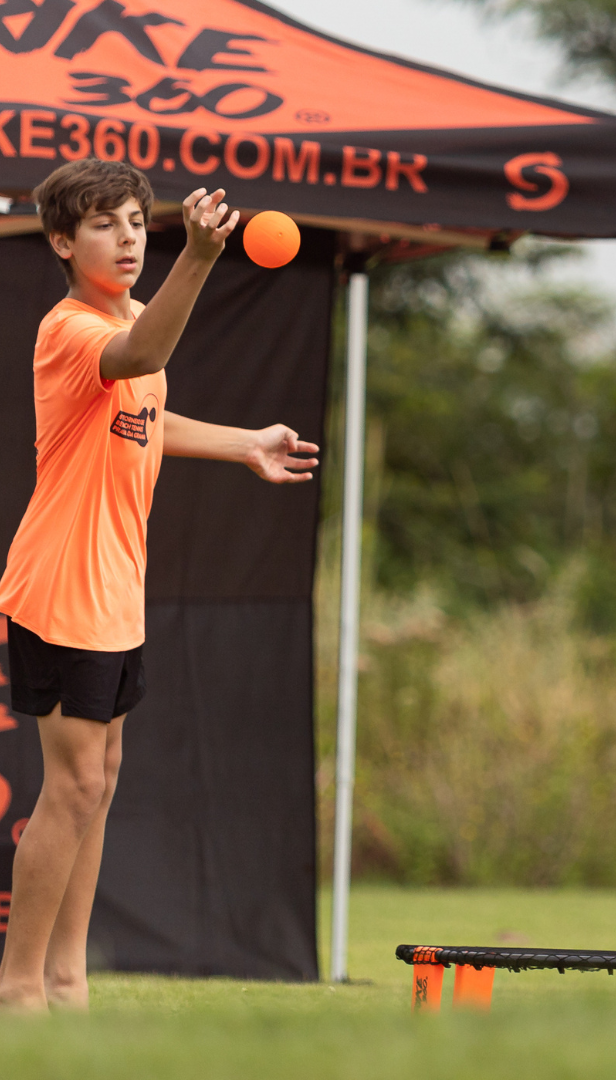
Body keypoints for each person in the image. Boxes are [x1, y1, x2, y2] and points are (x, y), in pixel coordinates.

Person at [0, 159, 319, 1011]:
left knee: (99, 782)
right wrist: (202, 258)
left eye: (138, 220)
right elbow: (140, 355)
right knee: (69, 787)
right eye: (105, 224)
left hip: (115, 592)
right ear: (64, 243)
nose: (129, 236)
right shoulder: (70, 329)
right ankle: (19, 988)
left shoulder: (138, 316)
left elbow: (142, 415)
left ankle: (68, 978)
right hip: (61, 587)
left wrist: (243, 442)